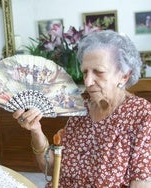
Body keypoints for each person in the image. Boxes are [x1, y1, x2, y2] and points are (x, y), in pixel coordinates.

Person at [13, 30, 151, 187]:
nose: (88, 81)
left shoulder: (141, 115)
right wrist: (36, 130)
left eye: (98, 72)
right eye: (85, 72)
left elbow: (142, 184)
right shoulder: (82, 109)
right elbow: (52, 170)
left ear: (124, 76)